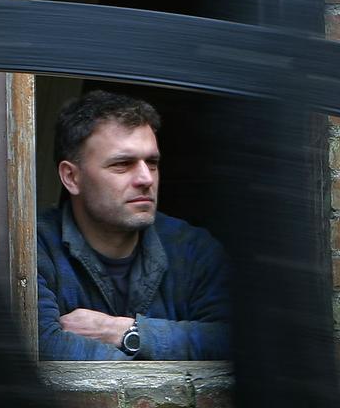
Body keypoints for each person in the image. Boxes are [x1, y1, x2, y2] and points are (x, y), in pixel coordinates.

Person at [37, 91, 231, 361]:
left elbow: (235, 341)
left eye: (152, 163)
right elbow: (40, 347)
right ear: (71, 177)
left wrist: (126, 332)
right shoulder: (33, 247)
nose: (145, 178)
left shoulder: (192, 248)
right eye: (122, 164)